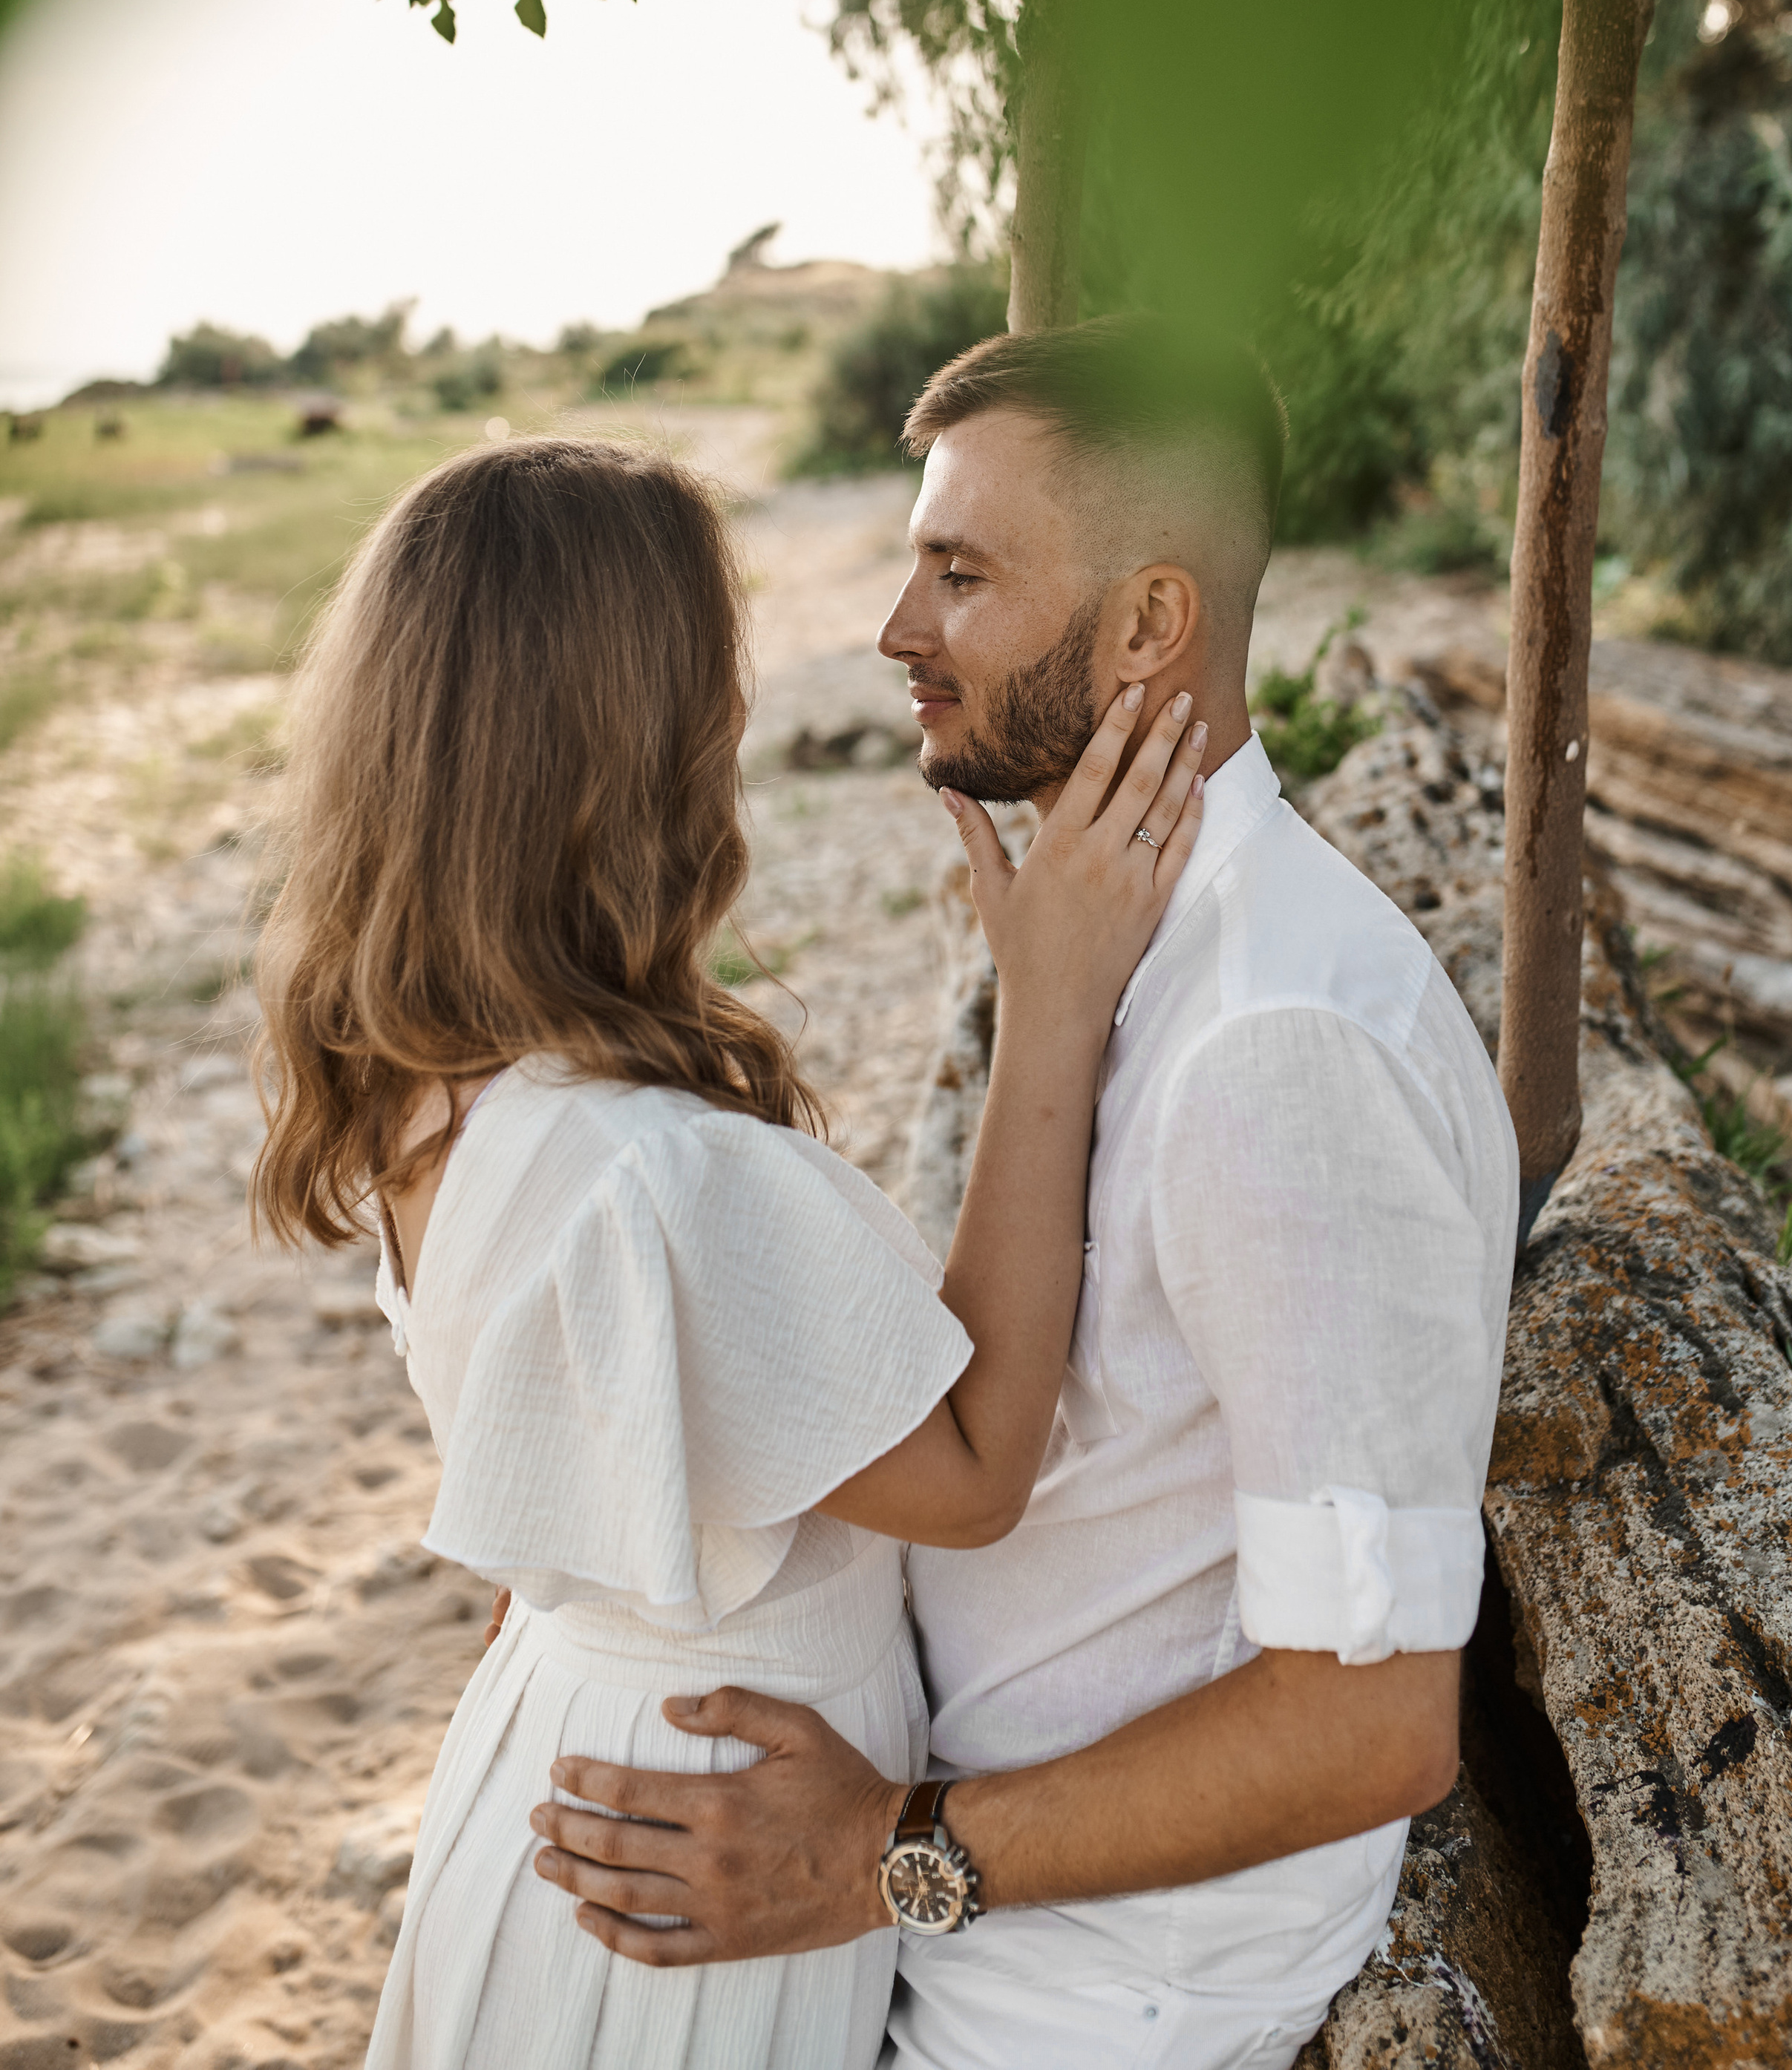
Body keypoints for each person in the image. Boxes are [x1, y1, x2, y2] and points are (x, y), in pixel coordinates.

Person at [526, 318, 1520, 2070]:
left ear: (1149, 624)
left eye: (959, 574)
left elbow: (1367, 1730)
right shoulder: (1131, 952)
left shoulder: (1271, 1049)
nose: (898, 632)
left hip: (1081, 1998)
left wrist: (881, 1860)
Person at [245, 433, 1208, 2070]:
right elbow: (973, 1474)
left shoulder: (433, 1079)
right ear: (640, 747)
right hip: (697, 1855)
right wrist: (1049, 1006)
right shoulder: (663, 1178)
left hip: (561, 1752)